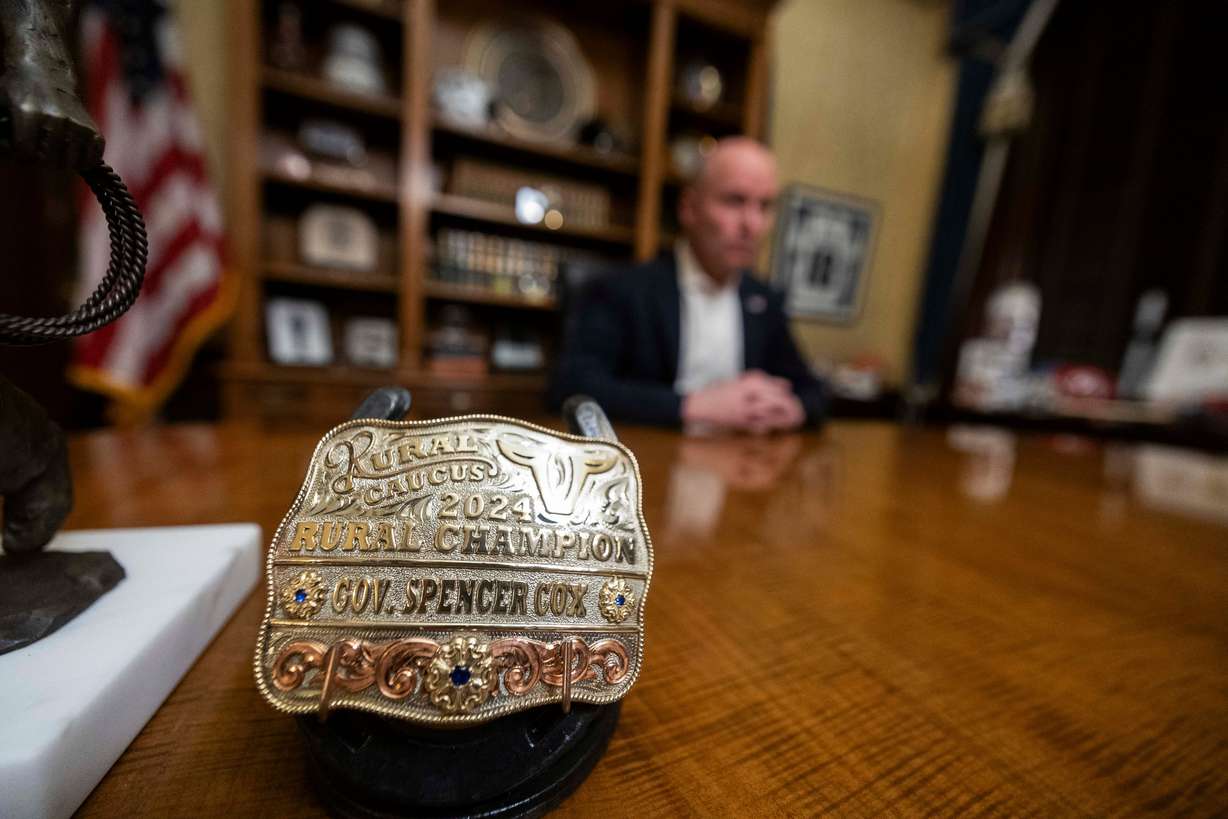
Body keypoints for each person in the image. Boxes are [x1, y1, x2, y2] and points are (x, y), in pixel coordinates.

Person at [553, 137, 826, 432]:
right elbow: (571, 389)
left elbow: (814, 391)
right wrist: (693, 405)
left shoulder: (764, 300)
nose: (753, 225)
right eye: (735, 200)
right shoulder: (623, 289)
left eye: (765, 206)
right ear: (689, 208)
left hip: (740, 469)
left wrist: (793, 409)